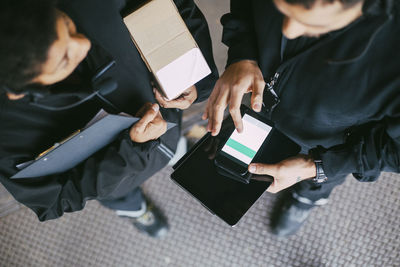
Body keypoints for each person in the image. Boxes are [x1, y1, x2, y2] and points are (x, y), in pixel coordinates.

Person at [0, 0, 218, 238]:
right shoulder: (6, 134)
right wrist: (132, 151)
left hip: (170, 118)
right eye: (64, 60)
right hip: (118, 182)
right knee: (122, 196)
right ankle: (135, 209)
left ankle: (175, 150)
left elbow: (171, 5)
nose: (82, 44)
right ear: (19, 91)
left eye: (67, 24)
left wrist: (192, 76)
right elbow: (54, 200)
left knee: (173, 145)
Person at [203, 0, 399, 236]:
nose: (288, 31)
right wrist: (243, 54)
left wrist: (316, 167)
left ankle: (308, 197)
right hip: (266, 106)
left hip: (330, 142)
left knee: (320, 181)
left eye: (306, 19)